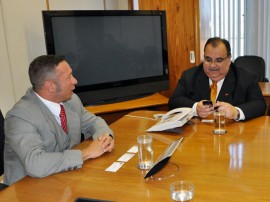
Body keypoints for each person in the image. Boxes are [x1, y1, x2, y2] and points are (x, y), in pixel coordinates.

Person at [4, 55, 115, 185]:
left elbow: (93, 122)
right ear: (50, 86)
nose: (75, 81)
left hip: (65, 179)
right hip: (29, 188)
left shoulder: (71, 100)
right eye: (69, 77)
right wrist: (86, 153)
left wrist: (105, 138)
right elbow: (36, 164)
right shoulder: (20, 117)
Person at [168, 37, 266, 120]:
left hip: (233, 136)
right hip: (199, 136)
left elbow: (260, 105)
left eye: (219, 60)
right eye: (208, 59)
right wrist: (195, 108)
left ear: (229, 59)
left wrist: (236, 112)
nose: (212, 65)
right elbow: (174, 101)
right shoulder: (189, 76)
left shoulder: (246, 77)